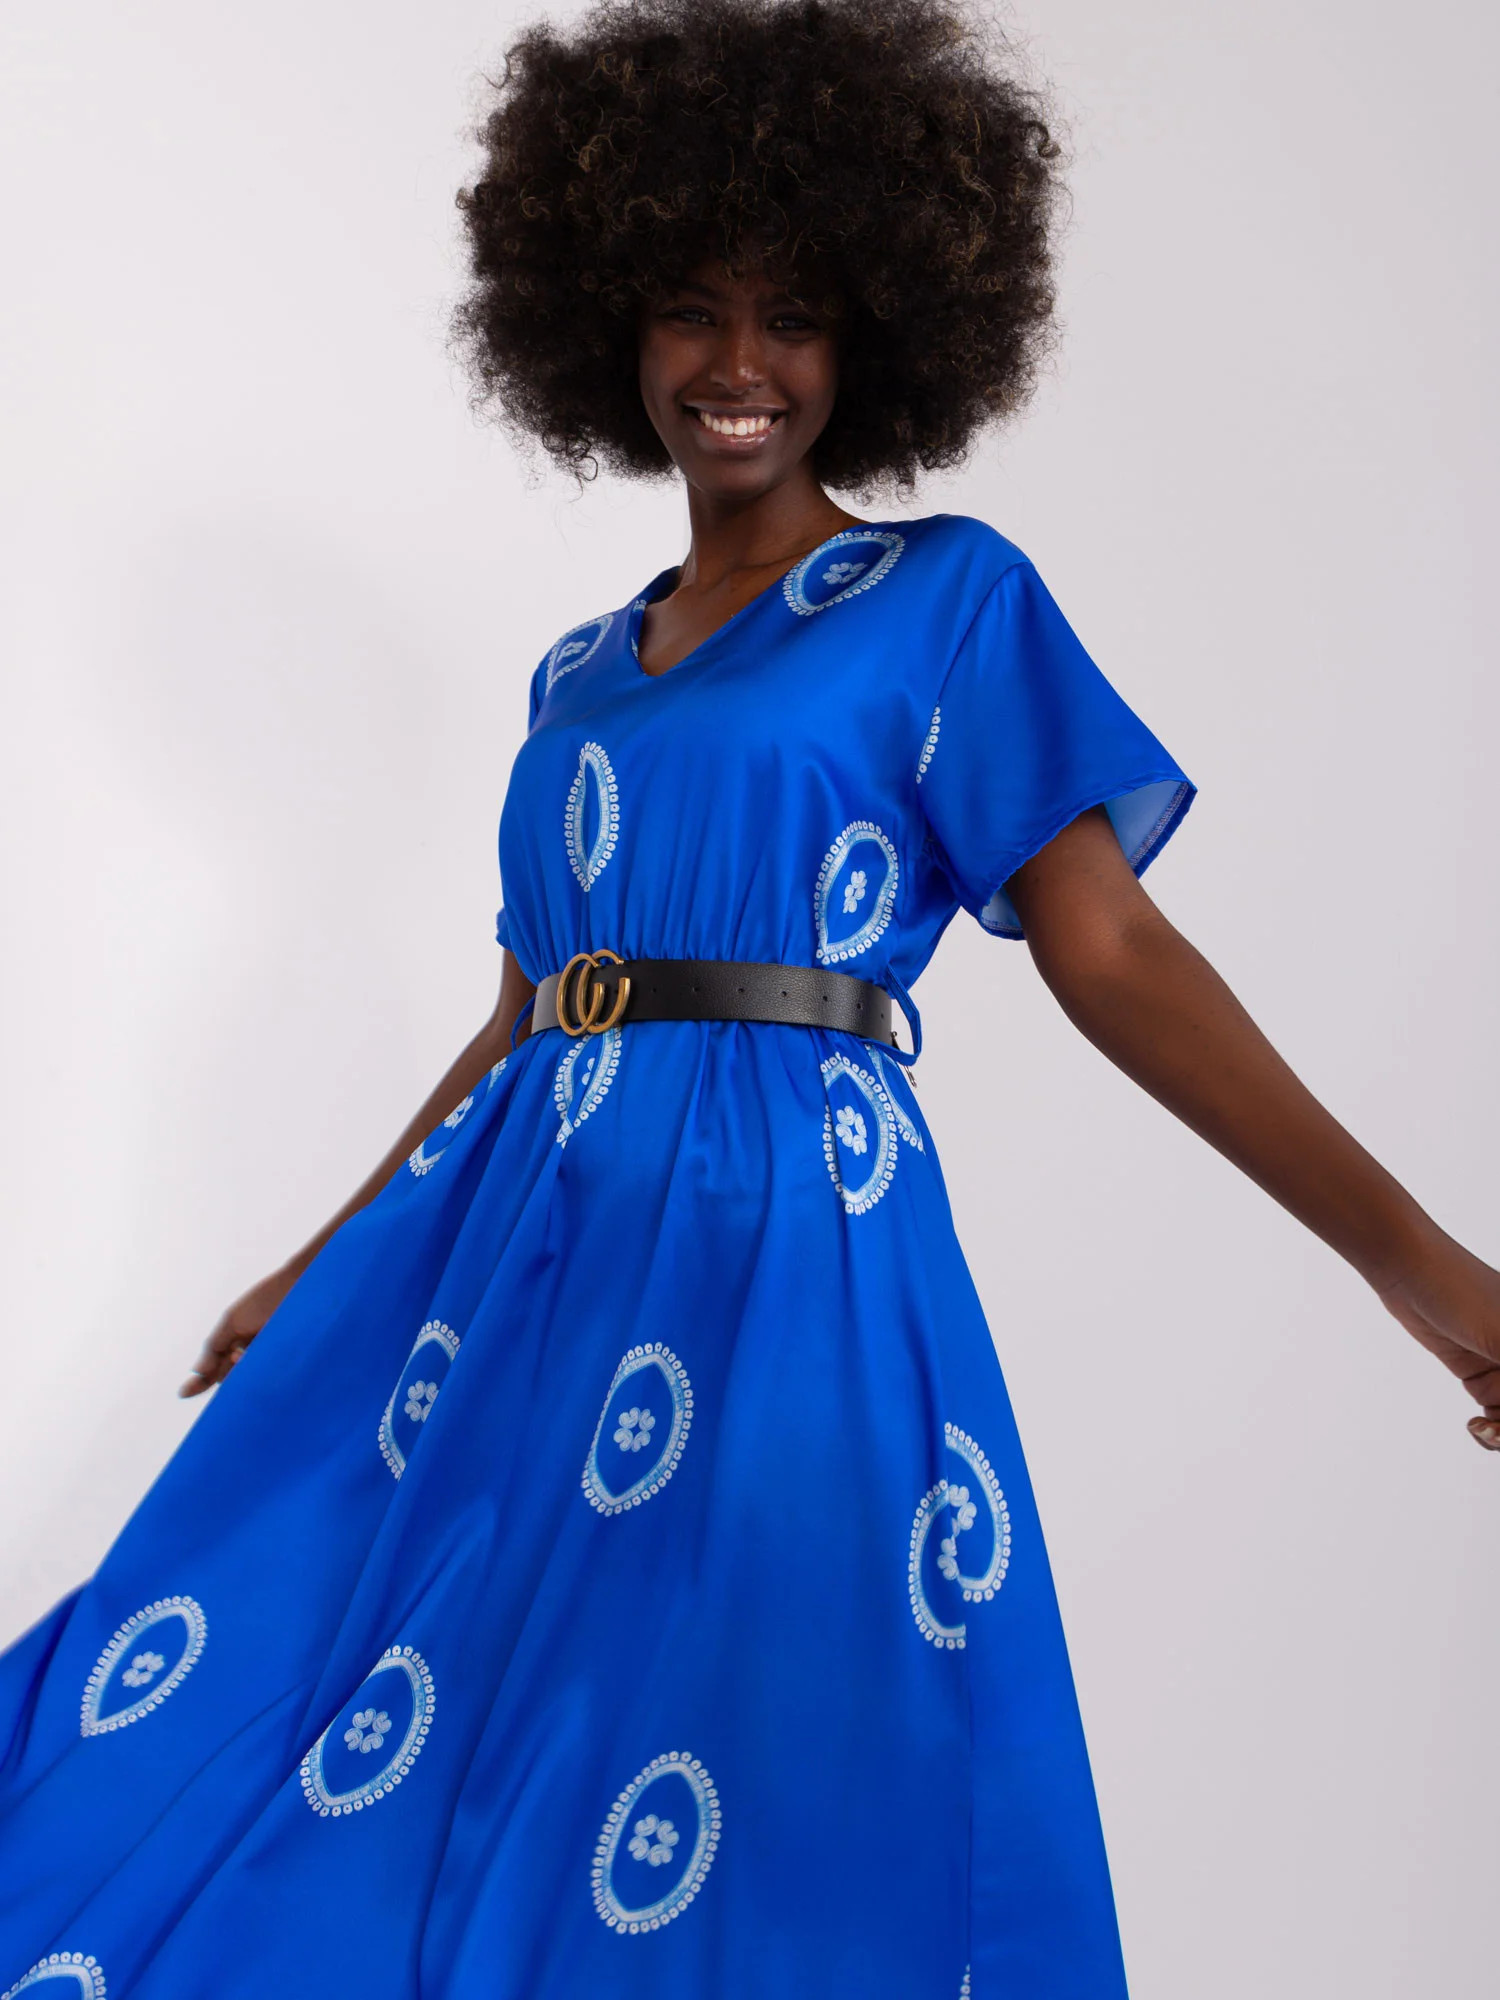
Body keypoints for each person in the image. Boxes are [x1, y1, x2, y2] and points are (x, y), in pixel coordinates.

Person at [1, 1, 1494, 1994]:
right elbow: (530, 1017)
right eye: (690, 312)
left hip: (779, 1238)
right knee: (366, 1719)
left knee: (763, 1756)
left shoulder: (948, 602)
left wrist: (1424, 1272)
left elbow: (1114, 950)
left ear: (870, 341)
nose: (737, 366)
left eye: (792, 319)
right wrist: (326, 1255)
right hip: (518, 1255)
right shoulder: (576, 672)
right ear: (605, 328)